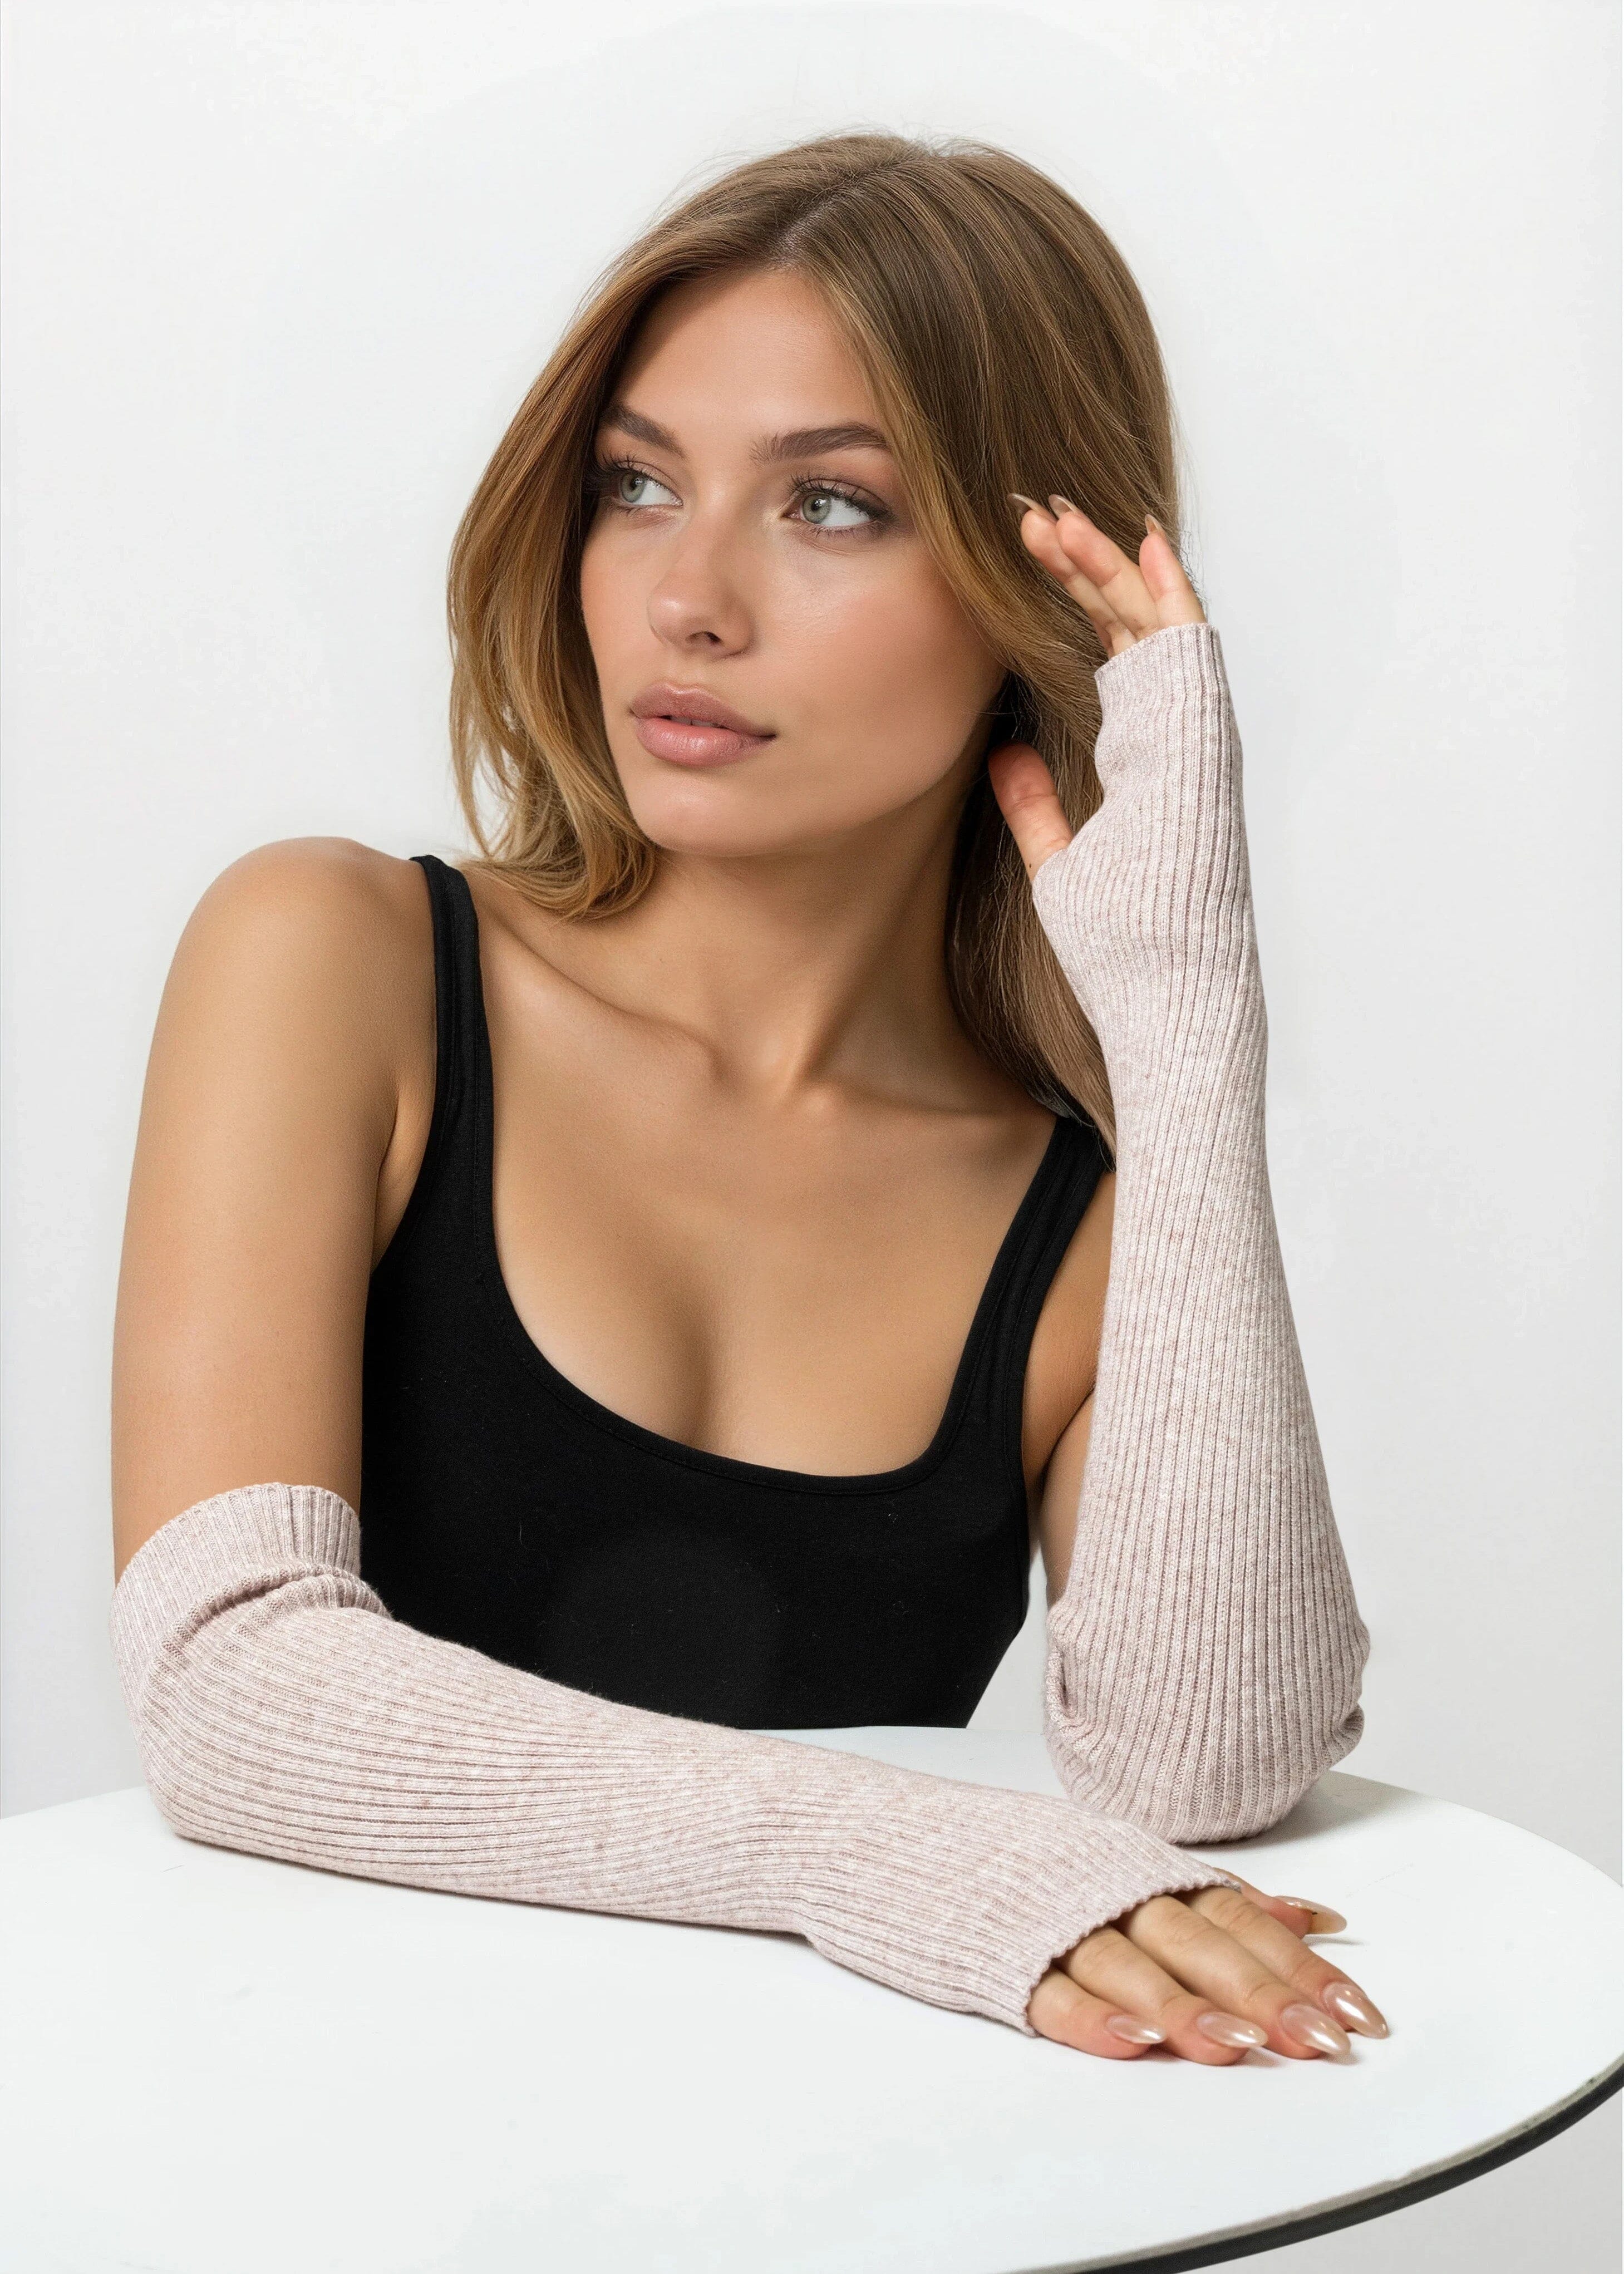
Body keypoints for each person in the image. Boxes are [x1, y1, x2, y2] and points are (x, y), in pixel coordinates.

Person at [109, 130, 1381, 2063]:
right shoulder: (337, 961)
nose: (686, 599)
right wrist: (900, 1856)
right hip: (331, 2143)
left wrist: (1192, 1019)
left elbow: (1213, 1769)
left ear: (1044, 597)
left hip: (842, 2174)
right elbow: (231, 1684)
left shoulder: (1077, 1214)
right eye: (637, 485)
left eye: (832, 507)